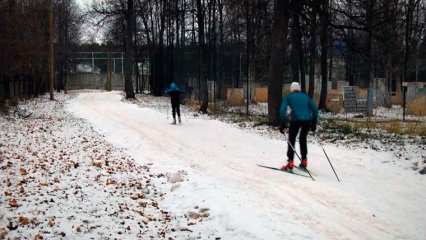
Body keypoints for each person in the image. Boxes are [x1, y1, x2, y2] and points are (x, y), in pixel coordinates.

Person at [278, 82, 318, 171]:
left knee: (291, 139)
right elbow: (315, 109)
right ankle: (304, 160)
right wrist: (314, 122)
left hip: (295, 120)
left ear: (291, 89)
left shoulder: (289, 97)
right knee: (303, 139)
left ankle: (290, 162)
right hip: (307, 121)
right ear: (299, 89)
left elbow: (282, 111)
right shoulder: (305, 96)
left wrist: (283, 123)